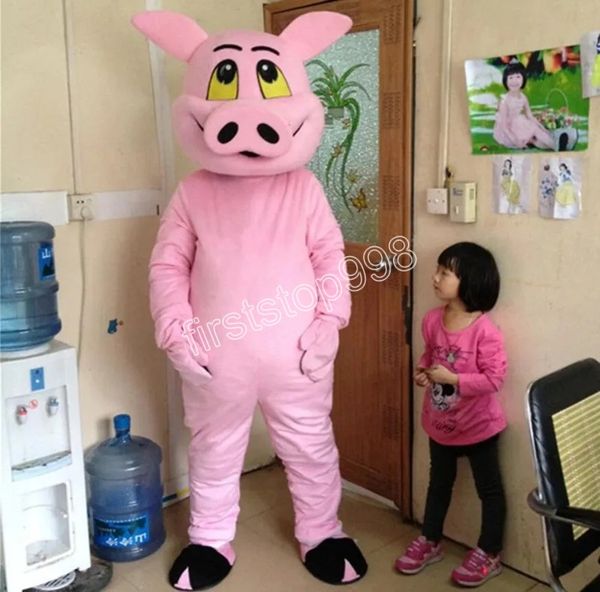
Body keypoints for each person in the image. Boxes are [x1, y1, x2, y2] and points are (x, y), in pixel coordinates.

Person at [395, 242, 508, 588]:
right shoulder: (432, 319)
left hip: (479, 426)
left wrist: (454, 379)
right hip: (441, 422)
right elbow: (429, 357)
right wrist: (422, 372)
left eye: (446, 272)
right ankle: (431, 540)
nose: (436, 277)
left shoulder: (484, 330)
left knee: (489, 490)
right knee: (438, 484)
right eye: (439, 270)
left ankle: (489, 551)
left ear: (470, 281)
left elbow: (494, 379)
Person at [493, 60, 555, 150]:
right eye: (510, 78)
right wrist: (516, 142)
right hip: (507, 130)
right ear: (505, 80)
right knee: (531, 138)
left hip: (518, 122)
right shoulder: (504, 101)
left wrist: (543, 128)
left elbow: (530, 116)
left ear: (523, 79)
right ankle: (553, 145)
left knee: (536, 130)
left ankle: (554, 146)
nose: (514, 81)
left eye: (518, 77)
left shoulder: (523, 97)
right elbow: (504, 126)